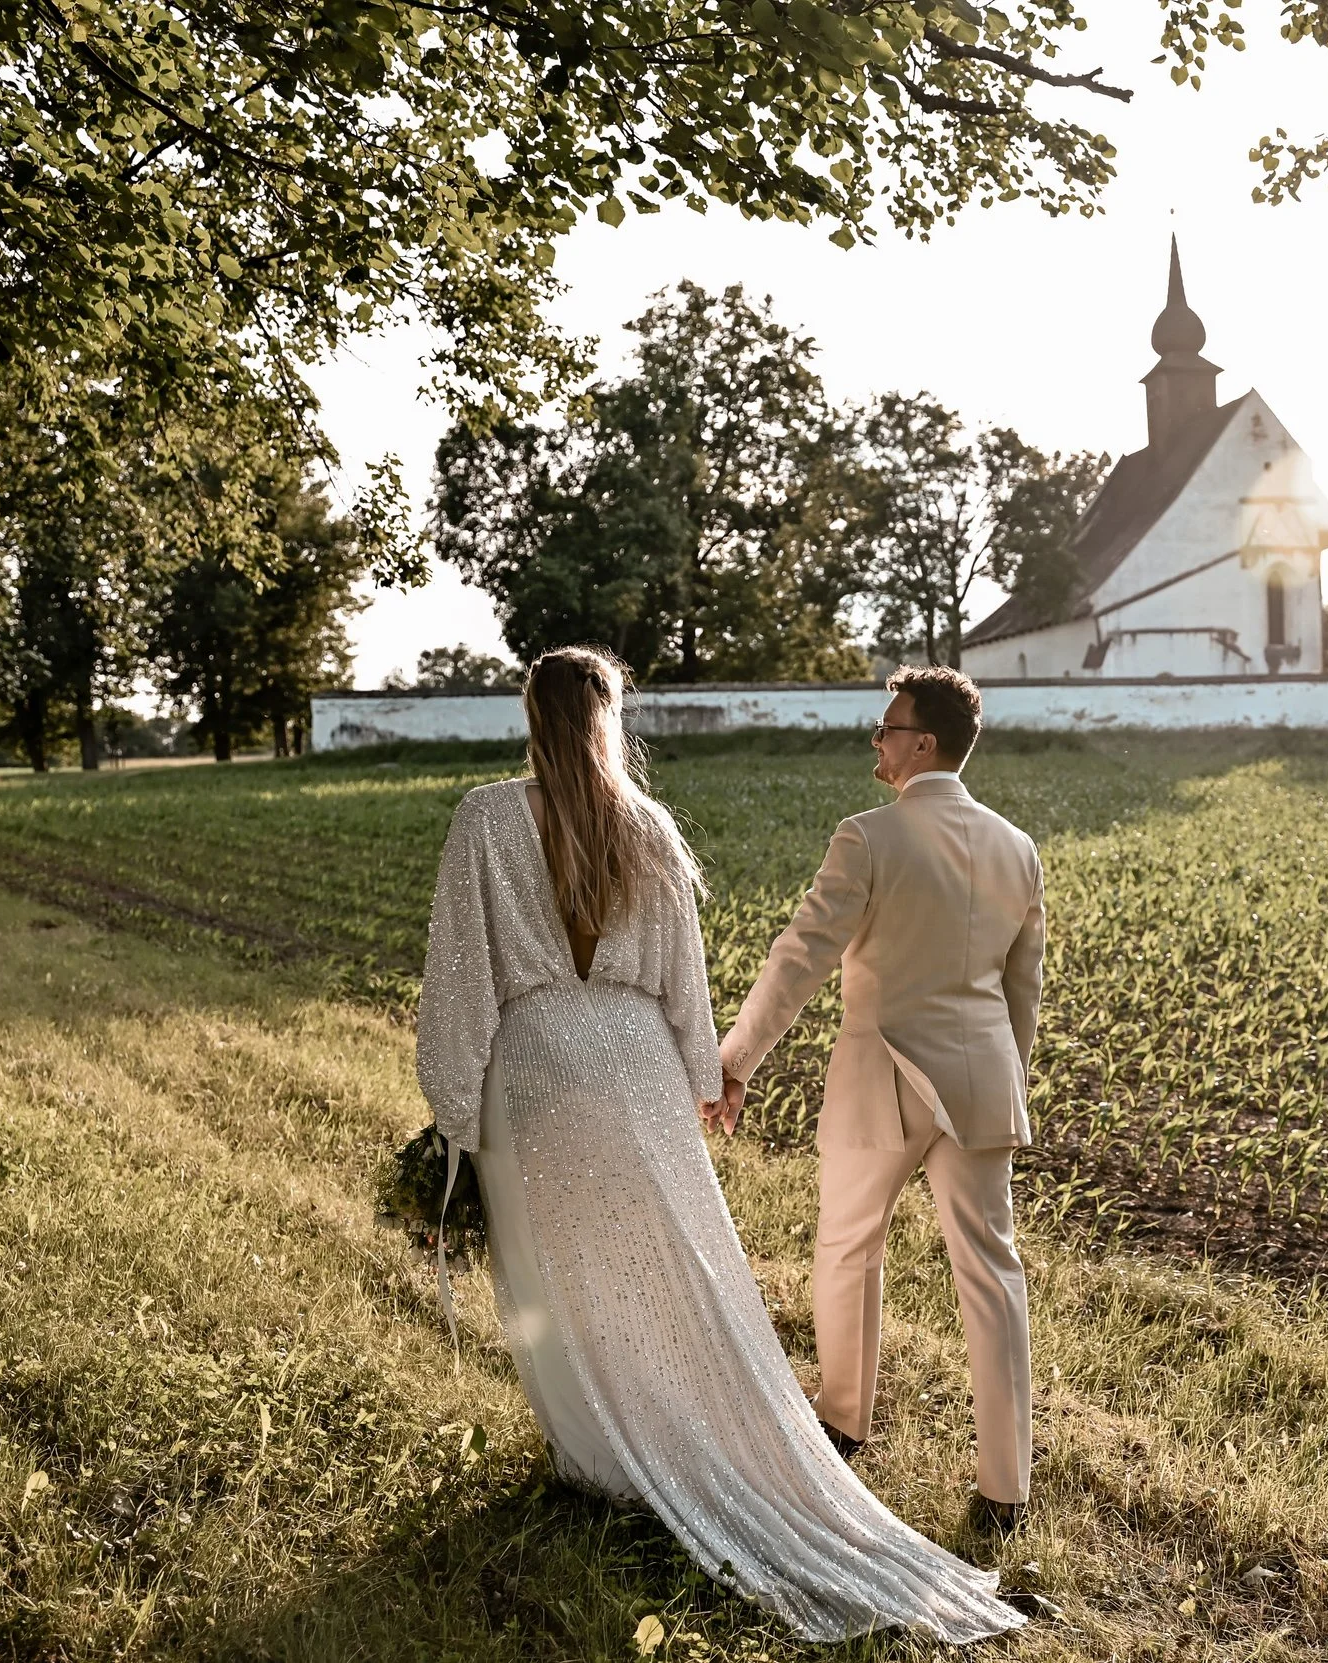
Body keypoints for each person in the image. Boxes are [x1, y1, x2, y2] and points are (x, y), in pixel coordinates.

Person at [413, 645, 1022, 1644]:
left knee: (560, 1275)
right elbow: (681, 975)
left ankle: (599, 1460)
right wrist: (704, 1077)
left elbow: (463, 968)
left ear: (531, 713)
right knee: (665, 1270)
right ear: (613, 716)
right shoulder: (648, 825)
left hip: (536, 1063)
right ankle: (687, 1438)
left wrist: (453, 1107)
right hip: (640, 1063)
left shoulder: (484, 818)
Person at [716, 665, 1045, 1537]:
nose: (878, 739)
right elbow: (1023, 993)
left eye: (887, 727)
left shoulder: (867, 837)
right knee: (991, 1270)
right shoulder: (1018, 847)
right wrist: (1004, 1077)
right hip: (979, 1079)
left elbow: (801, 955)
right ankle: (1005, 1487)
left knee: (848, 1246)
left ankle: (843, 1421)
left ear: (923, 743)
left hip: (882, 1076)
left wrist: (736, 1058)